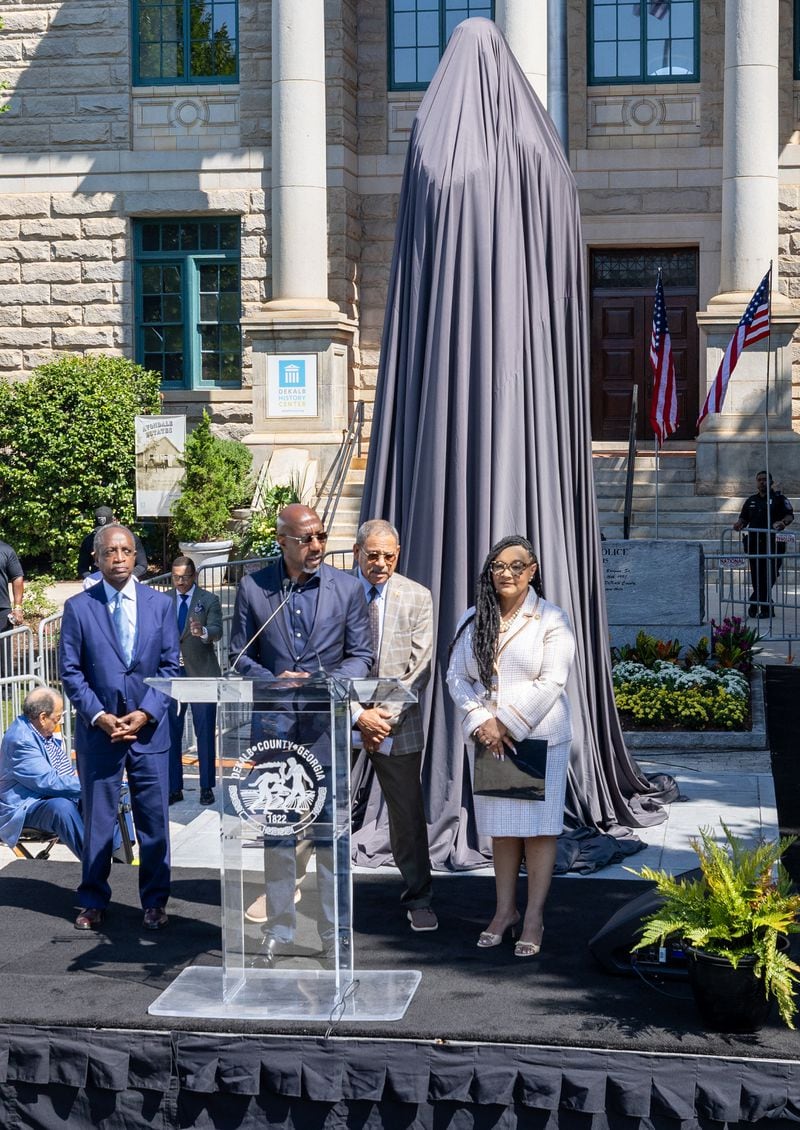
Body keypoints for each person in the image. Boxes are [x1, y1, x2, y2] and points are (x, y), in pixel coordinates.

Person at [228, 503, 372, 944]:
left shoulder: (347, 589)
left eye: (322, 537)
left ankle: (335, 930)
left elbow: (362, 657)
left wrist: (324, 682)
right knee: (278, 833)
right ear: (282, 542)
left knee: (330, 832)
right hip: (273, 732)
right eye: (306, 538)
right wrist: (273, 681)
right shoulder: (254, 588)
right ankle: (281, 928)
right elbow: (238, 659)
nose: (317, 546)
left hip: (324, 727)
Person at [447, 535, 575, 958]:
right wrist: (482, 721)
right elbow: (457, 677)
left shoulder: (551, 620)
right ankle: (505, 912)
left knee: (538, 832)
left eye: (516, 566)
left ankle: (534, 915)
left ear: (532, 571)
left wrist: (508, 722)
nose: (506, 573)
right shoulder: (473, 618)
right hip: (489, 739)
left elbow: (552, 681)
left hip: (537, 736)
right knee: (503, 832)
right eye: (499, 566)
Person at [59, 524, 180, 931]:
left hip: (149, 732)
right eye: (110, 551)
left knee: (153, 823)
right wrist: (99, 715)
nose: (119, 558)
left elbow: (170, 668)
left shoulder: (160, 606)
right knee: (97, 821)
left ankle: (155, 902)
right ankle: (92, 900)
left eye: (126, 551)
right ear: (97, 557)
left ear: (136, 557)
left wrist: (145, 713)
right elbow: (71, 673)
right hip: (100, 733)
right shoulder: (79, 607)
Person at [351, 519, 437, 932]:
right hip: (343, 715)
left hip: (395, 723)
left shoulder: (418, 597)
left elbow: (419, 666)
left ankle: (419, 896)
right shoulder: (339, 594)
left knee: (406, 815)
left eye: (388, 555)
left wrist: (382, 717)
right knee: (322, 806)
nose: (381, 563)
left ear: (398, 555)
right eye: (373, 555)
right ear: (357, 553)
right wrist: (357, 714)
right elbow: (325, 657)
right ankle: (312, 893)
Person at [0, 688, 83, 858]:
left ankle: (120, 859)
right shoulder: (20, 740)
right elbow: (47, 782)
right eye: (57, 718)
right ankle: (96, 868)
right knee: (62, 807)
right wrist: (93, 785)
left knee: (115, 795)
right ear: (43, 717)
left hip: (44, 797)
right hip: (25, 807)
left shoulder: (40, 731)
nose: (59, 723)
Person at [167, 555, 222, 807]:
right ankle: (173, 786)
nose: (180, 582)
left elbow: (217, 630)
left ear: (194, 576)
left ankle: (206, 786)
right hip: (172, 676)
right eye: (176, 577)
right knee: (171, 732)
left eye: (185, 577)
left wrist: (203, 632)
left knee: (204, 732)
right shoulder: (163, 600)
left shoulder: (208, 600)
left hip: (201, 674)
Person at [733, 471, 794, 618]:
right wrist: (739, 524)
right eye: (759, 480)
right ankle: (767, 608)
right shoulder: (751, 500)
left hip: (774, 544)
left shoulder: (779, 499)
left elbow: (790, 515)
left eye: (765, 480)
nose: (762, 482)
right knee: (756, 576)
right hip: (754, 544)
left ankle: (755, 602)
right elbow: (743, 518)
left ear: (771, 482)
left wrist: (783, 523)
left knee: (770, 575)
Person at [77, 507, 148, 581]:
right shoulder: (89, 540)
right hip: (98, 582)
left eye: (107, 530)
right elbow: (82, 568)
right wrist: (91, 579)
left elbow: (142, 565)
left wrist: (129, 577)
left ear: (114, 522)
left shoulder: (129, 538)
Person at [0, 537, 24, 677]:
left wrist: (18, 607)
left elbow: (17, 577)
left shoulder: (5, 550)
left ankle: (7, 689)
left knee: (3, 652)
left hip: (1, 610)